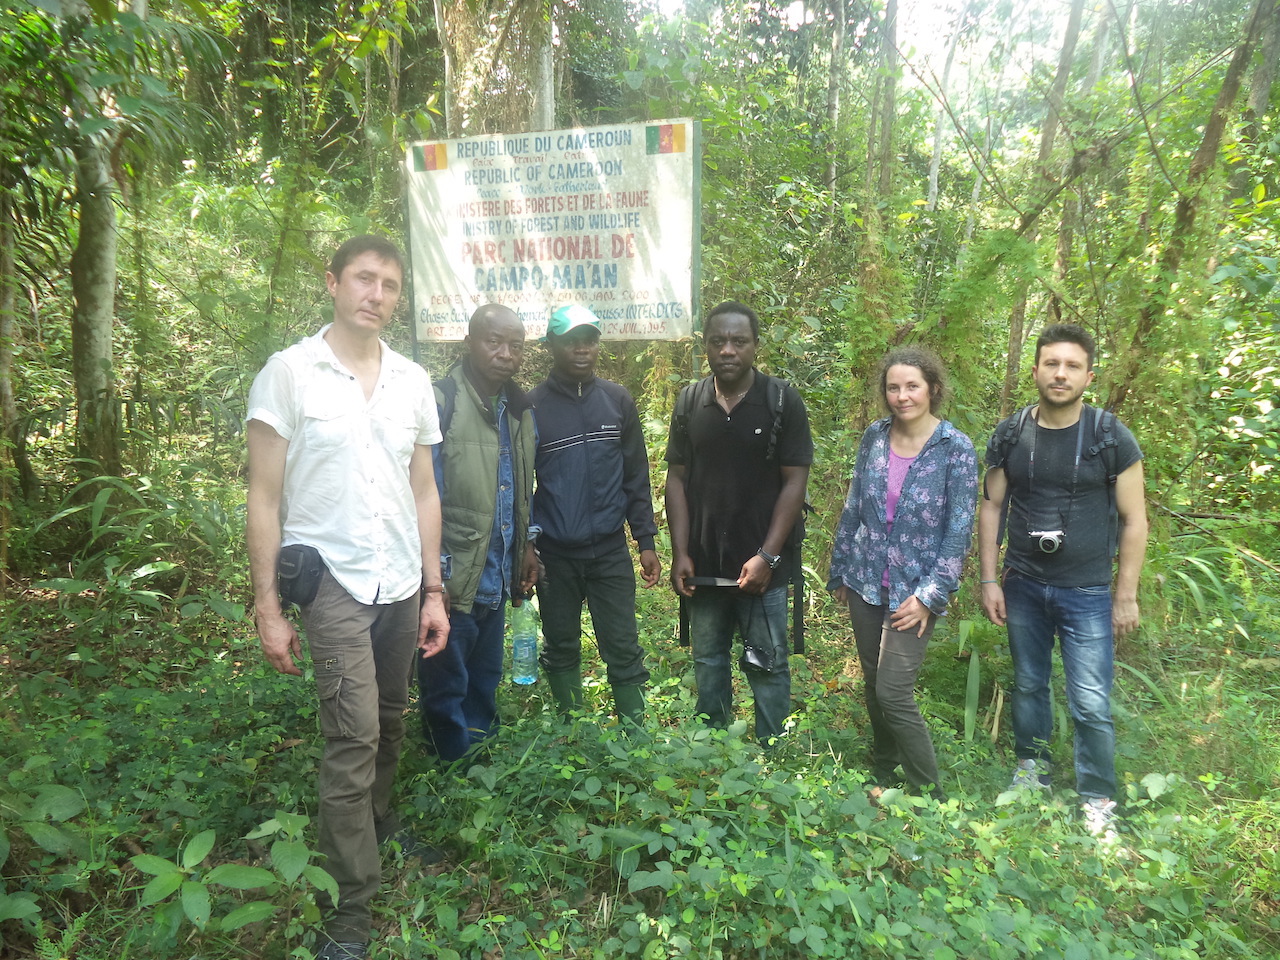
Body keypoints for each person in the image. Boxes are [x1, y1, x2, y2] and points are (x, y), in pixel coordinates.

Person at [246, 235, 450, 960]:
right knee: (352, 736)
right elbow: (264, 498)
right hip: (331, 580)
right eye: (364, 279)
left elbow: (423, 489)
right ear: (332, 283)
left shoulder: (413, 381)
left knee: (390, 720)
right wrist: (269, 608)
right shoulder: (291, 375)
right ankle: (350, 908)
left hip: (399, 578)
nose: (377, 294)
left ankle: (380, 818)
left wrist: (434, 589)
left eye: (391, 285)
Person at [978, 323, 1148, 837]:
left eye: (1072, 365)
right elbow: (990, 506)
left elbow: (1136, 520)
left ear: (1088, 375)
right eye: (1051, 363)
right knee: (1029, 684)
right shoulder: (1011, 433)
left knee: (1091, 700)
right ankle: (1032, 772)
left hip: (1090, 591)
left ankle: (1098, 800)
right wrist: (989, 579)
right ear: (1035, 370)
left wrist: (1126, 594)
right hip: (1024, 583)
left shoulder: (1109, 436)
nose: (1060, 373)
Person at [827, 347, 977, 799]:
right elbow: (854, 507)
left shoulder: (955, 448)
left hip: (915, 592)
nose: (902, 396)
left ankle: (928, 794)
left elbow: (959, 530)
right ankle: (882, 766)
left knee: (893, 691)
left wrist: (932, 595)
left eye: (912, 386)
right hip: (866, 581)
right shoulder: (874, 437)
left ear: (932, 388)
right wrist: (840, 572)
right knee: (874, 686)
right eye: (893, 387)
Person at [665, 300, 813, 744]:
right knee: (708, 659)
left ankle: (773, 753)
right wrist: (680, 553)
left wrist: (767, 556)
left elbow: (795, 482)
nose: (727, 350)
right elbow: (676, 478)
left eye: (738, 341)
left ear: (755, 346)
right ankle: (711, 749)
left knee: (767, 661)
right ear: (706, 346)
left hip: (764, 565)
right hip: (706, 563)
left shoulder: (781, 401)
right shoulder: (691, 402)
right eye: (718, 341)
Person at [527, 305, 660, 725]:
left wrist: (647, 541)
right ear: (552, 345)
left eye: (589, 339)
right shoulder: (531, 407)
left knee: (623, 644)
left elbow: (636, 475)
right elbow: (518, 486)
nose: (582, 348)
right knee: (561, 644)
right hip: (555, 556)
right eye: (571, 340)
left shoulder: (617, 400)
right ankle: (572, 733)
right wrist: (525, 546)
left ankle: (635, 739)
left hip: (609, 552)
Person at [418, 303, 538, 762]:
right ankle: (448, 763)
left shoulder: (520, 410)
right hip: (453, 575)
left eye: (516, 346)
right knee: (445, 678)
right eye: (494, 341)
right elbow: (423, 494)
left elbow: (522, 488)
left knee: (485, 676)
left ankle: (479, 756)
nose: (505, 354)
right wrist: (435, 579)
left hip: (498, 571)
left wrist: (527, 545)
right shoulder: (441, 401)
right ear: (470, 340)